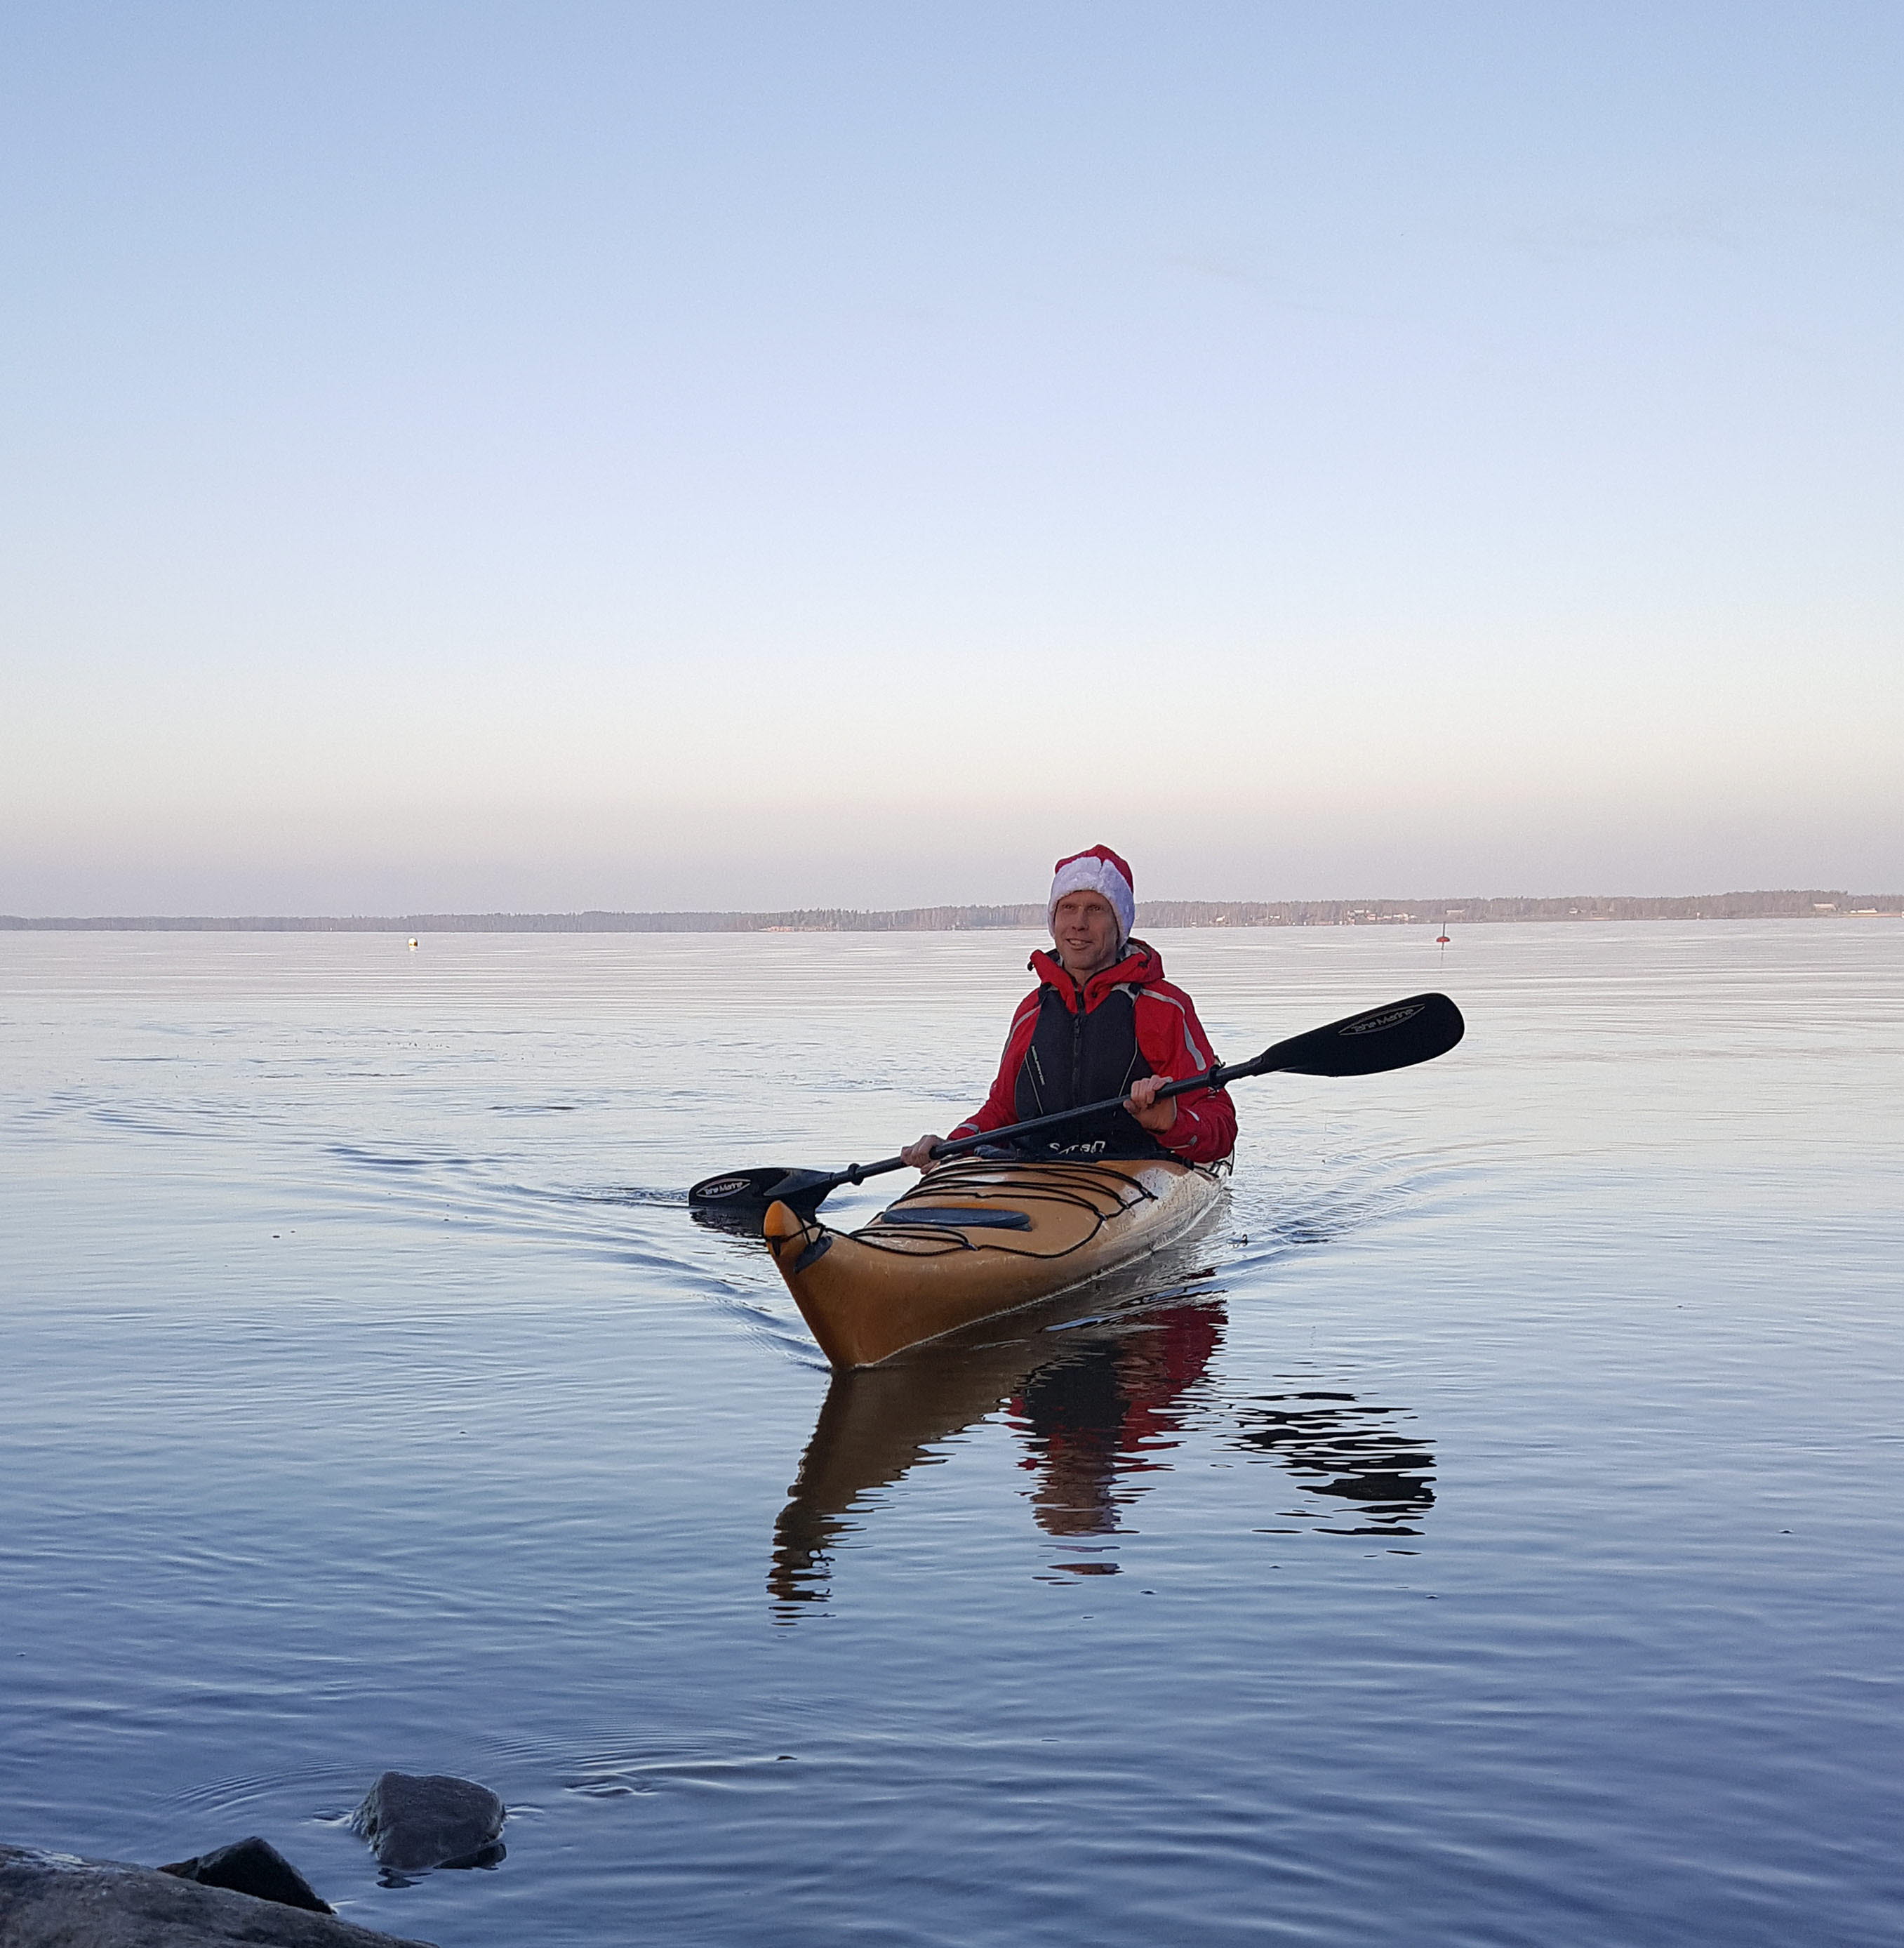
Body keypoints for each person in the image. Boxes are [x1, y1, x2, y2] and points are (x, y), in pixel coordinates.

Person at [900, 844, 1236, 1170]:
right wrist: (951, 1146)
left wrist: (1171, 1122)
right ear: (1054, 920)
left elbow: (1220, 1127)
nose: (1078, 923)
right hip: (1037, 1172)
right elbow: (1002, 1114)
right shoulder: (1032, 1011)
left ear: (1119, 924)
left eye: (1095, 909)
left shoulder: (1164, 1008)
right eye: (1068, 908)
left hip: (1135, 1171)